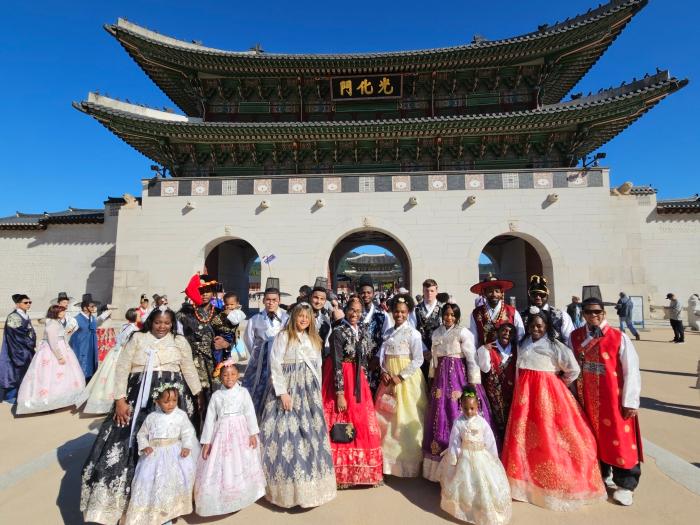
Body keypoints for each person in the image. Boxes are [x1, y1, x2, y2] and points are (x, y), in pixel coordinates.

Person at [80, 308, 203, 525]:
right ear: (150, 322)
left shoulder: (179, 341)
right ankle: (127, 504)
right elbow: (122, 368)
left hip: (174, 397)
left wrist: (198, 394)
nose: (162, 327)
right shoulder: (137, 338)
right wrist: (119, 399)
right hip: (138, 398)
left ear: (172, 324)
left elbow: (188, 369)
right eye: (157, 322)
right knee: (130, 442)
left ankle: (169, 504)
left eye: (166, 323)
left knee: (172, 447)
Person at [501, 312, 605, 510]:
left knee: (549, 434)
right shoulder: (522, 343)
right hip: (524, 396)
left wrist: (557, 384)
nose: (536, 329)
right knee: (524, 437)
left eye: (540, 326)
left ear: (547, 327)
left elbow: (572, 369)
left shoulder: (555, 345)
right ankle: (523, 481)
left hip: (546, 394)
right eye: (533, 325)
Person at [259, 303, 337, 508]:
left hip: (309, 391)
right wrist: (282, 392)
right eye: (300, 316)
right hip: (288, 389)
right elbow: (274, 364)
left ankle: (311, 487)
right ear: (293, 317)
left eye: (307, 317)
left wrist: (317, 393)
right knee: (286, 435)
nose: (303, 320)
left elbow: (318, 366)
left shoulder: (314, 339)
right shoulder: (283, 336)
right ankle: (285, 489)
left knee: (311, 436)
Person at [572, 297, 643, 506]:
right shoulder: (575, 337)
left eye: (599, 312)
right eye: (590, 312)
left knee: (619, 438)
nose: (595, 316)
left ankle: (626, 484)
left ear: (604, 313)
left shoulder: (618, 337)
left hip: (613, 400)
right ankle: (601, 475)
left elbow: (631, 370)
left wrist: (630, 401)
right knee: (592, 438)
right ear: (583, 314)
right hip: (587, 399)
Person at [423, 302, 490, 481]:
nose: (449, 317)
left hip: (457, 376)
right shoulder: (436, 333)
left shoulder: (463, 333)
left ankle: (462, 464)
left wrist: (473, 382)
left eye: (453, 315)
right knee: (439, 413)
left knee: (456, 411)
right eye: (446, 314)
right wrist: (431, 378)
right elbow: (434, 359)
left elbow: (471, 358)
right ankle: (439, 466)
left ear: (457, 317)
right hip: (440, 378)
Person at [322, 296, 383, 488]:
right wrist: (339, 393)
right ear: (345, 310)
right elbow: (337, 363)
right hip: (342, 379)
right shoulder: (338, 332)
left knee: (362, 419)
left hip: (359, 379)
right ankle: (341, 473)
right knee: (341, 418)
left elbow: (366, 356)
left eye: (358, 311)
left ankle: (364, 471)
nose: (355, 314)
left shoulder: (363, 330)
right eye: (351, 310)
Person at [195, 360, 265, 516]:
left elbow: (249, 413)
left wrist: (253, 433)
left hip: (241, 433)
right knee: (224, 463)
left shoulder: (243, 393)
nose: (229, 378)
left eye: (233, 374)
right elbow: (210, 419)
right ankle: (225, 495)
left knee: (241, 461)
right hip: (222, 434)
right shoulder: (216, 396)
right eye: (225, 375)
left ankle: (242, 492)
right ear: (220, 377)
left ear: (238, 375)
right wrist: (207, 442)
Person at [123, 384, 199, 525]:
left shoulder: (180, 415)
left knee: (174, 483)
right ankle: (159, 515)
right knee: (154, 484)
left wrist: (187, 446)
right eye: (166, 401)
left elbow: (188, 432)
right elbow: (141, 435)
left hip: (175, 455)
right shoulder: (151, 417)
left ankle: (172, 511)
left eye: (174, 400)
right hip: (154, 458)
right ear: (157, 401)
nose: (171, 404)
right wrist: (145, 446)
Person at [438, 385, 512, 525]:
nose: (469, 412)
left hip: (481, 456)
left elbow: (489, 440)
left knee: (483, 483)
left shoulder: (482, 422)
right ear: (461, 406)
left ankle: (482, 509)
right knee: (465, 484)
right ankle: (466, 509)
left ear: (477, 405)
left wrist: (493, 457)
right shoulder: (458, 422)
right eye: (465, 408)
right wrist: (454, 456)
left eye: (472, 408)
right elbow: (454, 441)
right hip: (464, 456)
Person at [374, 294, 428, 477]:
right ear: (391, 312)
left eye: (403, 312)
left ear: (408, 313)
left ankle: (407, 464)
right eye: (396, 311)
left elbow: (418, 359)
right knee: (385, 417)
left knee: (405, 417)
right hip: (388, 379)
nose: (399, 315)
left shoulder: (414, 333)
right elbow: (382, 356)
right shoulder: (388, 333)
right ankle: (385, 464)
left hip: (406, 379)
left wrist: (401, 376)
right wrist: (384, 371)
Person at [16, 304, 85, 414]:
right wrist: (60, 357)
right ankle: (47, 402)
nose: (64, 313)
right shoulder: (52, 324)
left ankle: (58, 400)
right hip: (53, 352)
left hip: (61, 348)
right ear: (55, 312)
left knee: (62, 376)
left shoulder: (55, 322)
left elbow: (60, 336)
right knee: (50, 376)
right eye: (61, 311)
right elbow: (53, 343)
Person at [77, 308, 139, 414]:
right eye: (138, 315)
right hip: (123, 352)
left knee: (109, 375)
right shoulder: (133, 329)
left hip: (115, 351)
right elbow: (128, 343)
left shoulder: (125, 326)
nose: (140, 316)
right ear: (134, 317)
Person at [241, 285, 289, 416]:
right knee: (256, 388)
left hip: (281, 360)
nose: (271, 302)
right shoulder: (255, 319)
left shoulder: (287, 318)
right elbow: (248, 339)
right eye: (268, 299)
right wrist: (258, 353)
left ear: (279, 301)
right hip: (260, 361)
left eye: (274, 300)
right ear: (263, 301)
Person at [177, 274, 225, 394]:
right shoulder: (184, 313)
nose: (204, 294)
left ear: (213, 293)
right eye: (200, 291)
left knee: (214, 395)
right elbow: (176, 336)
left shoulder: (220, 313)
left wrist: (226, 343)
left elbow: (230, 334)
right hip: (190, 360)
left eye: (207, 291)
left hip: (214, 360)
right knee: (192, 395)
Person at [475, 322, 518, 445]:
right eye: (504, 330)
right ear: (498, 332)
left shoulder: (516, 350)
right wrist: (483, 350)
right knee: (494, 422)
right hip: (492, 394)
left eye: (510, 332)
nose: (507, 334)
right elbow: (484, 368)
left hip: (511, 392)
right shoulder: (488, 349)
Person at [357, 274, 390, 394]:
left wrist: (377, 358)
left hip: (375, 361)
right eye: (363, 292)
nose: (365, 295)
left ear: (373, 293)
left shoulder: (382, 314)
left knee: (374, 393)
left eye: (368, 292)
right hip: (356, 361)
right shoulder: (352, 313)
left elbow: (387, 338)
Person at [469, 277, 524, 348]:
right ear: (484, 293)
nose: (494, 294)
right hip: (485, 354)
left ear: (501, 293)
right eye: (490, 291)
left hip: (508, 355)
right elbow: (474, 338)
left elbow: (520, 335)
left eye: (497, 291)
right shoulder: (476, 313)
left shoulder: (512, 312)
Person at [0, 294, 36, 403]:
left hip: (25, 348)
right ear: (17, 304)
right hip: (15, 349)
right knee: (13, 372)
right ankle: (10, 397)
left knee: (25, 372)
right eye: (26, 302)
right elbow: (15, 335)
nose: (28, 304)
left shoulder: (25, 315)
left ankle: (22, 394)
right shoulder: (13, 316)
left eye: (30, 302)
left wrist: (31, 336)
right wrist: (30, 338)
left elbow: (29, 332)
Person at [520, 275, 574, 346]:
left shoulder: (561, 315)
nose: (538, 297)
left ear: (547, 295)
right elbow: (519, 340)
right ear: (530, 295)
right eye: (534, 294)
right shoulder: (521, 316)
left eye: (542, 294)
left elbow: (570, 340)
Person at [71, 294, 112, 382]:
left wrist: (103, 316)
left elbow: (96, 324)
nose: (94, 308)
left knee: (91, 370)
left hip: (91, 348)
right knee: (81, 372)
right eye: (92, 306)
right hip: (81, 349)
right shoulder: (75, 319)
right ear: (85, 308)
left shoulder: (92, 318)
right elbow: (69, 335)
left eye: (94, 306)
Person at [410, 278, 443, 380]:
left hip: (439, 350)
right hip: (420, 350)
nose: (429, 293)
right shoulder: (415, 309)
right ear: (423, 291)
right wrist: (424, 350)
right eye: (426, 290)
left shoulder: (443, 308)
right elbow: (412, 331)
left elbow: (446, 330)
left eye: (432, 291)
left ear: (436, 291)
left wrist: (435, 350)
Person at [210, 292, 247, 364]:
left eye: (231, 304)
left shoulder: (238, 312)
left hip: (229, 335)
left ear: (237, 303)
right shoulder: (222, 310)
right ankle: (218, 363)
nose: (229, 306)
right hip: (220, 334)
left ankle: (227, 361)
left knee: (228, 350)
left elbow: (235, 321)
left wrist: (229, 313)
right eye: (227, 304)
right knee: (217, 349)